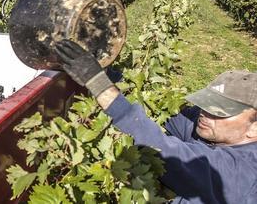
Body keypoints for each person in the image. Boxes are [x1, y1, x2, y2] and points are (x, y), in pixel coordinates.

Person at [55, 40, 257, 204]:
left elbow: (163, 148)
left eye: (220, 112)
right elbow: (156, 109)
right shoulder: (214, 128)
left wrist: (97, 82)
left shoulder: (241, 173)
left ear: (254, 128)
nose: (205, 114)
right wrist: (108, 74)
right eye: (207, 104)